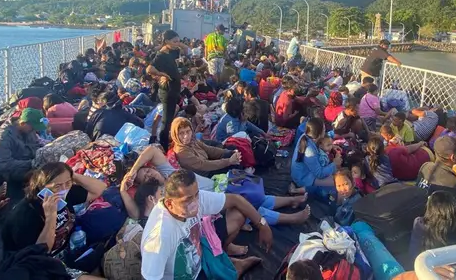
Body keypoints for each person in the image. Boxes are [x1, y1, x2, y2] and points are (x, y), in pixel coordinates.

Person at [140, 170, 270, 279]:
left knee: (238, 214)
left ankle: (227, 263)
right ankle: (231, 266)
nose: (195, 202)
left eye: (196, 195)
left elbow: (235, 200)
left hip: (199, 256)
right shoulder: (159, 237)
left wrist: (263, 225)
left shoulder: (192, 197)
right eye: (188, 200)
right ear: (169, 204)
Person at [1, 162, 107, 255]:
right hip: (40, 262)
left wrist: (70, 175)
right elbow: (40, 252)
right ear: (42, 187)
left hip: (69, 246)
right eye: (57, 185)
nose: (64, 189)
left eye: (68, 183)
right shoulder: (24, 216)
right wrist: (51, 217)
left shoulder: (64, 192)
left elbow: (99, 189)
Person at [417, 136, 456, 218]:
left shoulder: (425, 166)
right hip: (438, 224)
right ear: (452, 157)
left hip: (419, 214)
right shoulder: (455, 185)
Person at [147, 30, 185, 150]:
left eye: (178, 41)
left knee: (169, 118)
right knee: (166, 120)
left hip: (173, 90)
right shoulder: (161, 55)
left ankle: (165, 140)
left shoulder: (171, 52)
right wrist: (161, 74)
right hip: (167, 91)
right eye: (174, 41)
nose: (177, 44)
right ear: (167, 41)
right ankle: (163, 146)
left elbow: (185, 50)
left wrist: (178, 43)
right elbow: (149, 69)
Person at [0, 107, 43, 183]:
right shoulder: (2, 137)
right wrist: (31, 163)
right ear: (23, 123)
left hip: (25, 160)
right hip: (3, 170)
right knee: (40, 176)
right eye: (33, 128)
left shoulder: (28, 130)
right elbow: (4, 164)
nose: (35, 130)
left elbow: (35, 145)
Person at [291, 118, 339, 201]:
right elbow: (319, 173)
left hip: (304, 172)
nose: (325, 130)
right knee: (337, 182)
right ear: (319, 133)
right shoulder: (309, 151)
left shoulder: (306, 136)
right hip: (303, 178)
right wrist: (334, 164)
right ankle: (300, 190)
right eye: (324, 129)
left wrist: (331, 146)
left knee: (336, 174)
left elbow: (321, 144)